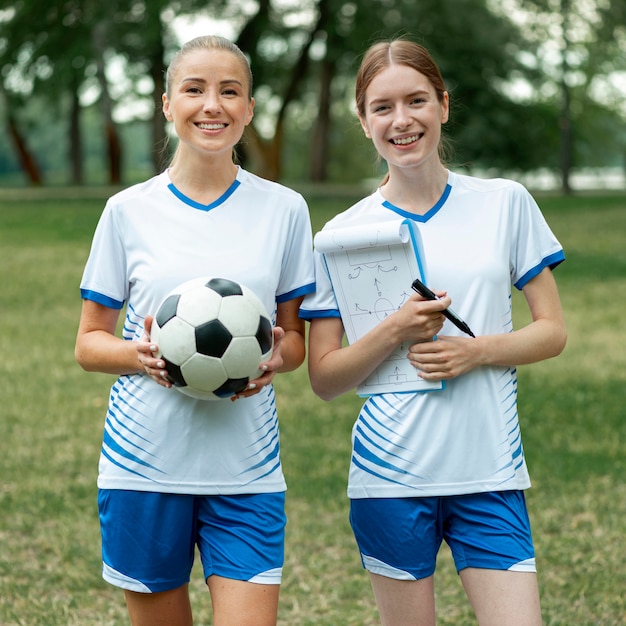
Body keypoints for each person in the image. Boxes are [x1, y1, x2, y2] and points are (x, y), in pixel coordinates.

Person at [300, 39, 566, 626]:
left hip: (489, 471)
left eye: (417, 99)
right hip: (389, 480)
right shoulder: (340, 235)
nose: (402, 120)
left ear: (443, 104)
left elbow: (552, 332)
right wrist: (395, 329)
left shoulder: (505, 203)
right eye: (382, 107)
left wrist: (477, 352)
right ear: (364, 120)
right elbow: (323, 378)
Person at [75, 35, 315, 626]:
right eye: (195, 89)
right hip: (143, 465)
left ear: (250, 108)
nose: (213, 105)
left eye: (230, 91)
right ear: (166, 104)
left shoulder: (285, 209)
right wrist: (141, 356)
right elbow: (88, 342)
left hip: (247, 469)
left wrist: (273, 361)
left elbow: (294, 343)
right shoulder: (127, 211)